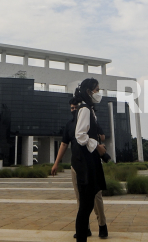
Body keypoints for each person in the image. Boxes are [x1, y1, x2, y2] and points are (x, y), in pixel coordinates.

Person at [51, 99, 108, 239]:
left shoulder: (90, 119)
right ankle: (84, 228)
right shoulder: (69, 125)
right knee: (79, 197)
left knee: (96, 196)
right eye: (71, 108)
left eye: (75, 107)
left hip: (91, 163)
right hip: (76, 165)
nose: (73, 110)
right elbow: (64, 144)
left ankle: (102, 225)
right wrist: (56, 163)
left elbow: (102, 137)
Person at [69, 78, 108, 241]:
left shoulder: (89, 109)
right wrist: (97, 146)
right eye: (97, 90)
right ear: (88, 92)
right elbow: (80, 135)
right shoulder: (84, 109)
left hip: (89, 160)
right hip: (84, 162)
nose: (99, 93)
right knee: (85, 205)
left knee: (88, 203)